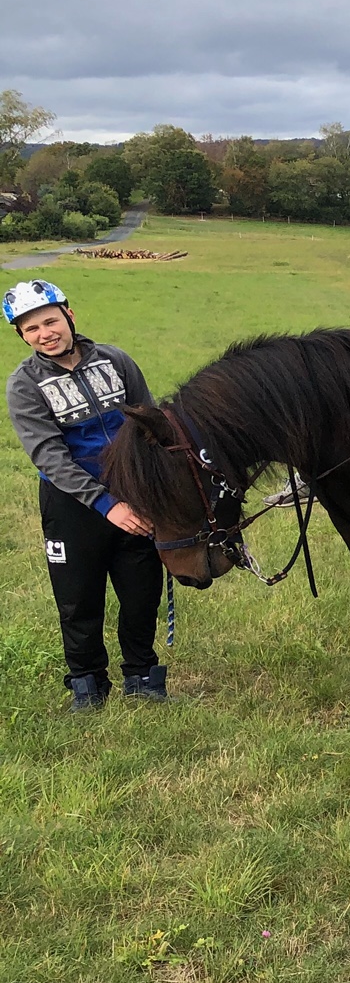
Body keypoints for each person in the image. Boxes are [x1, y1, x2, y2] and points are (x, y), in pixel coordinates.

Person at [4, 278, 165, 710]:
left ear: (69, 315)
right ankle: (88, 682)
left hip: (135, 494)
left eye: (50, 321)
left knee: (141, 592)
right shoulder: (24, 385)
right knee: (78, 599)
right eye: (31, 329)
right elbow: (49, 457)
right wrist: (107, 506)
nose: (45, 333)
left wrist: (152, 487)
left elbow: (148, 422)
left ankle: (143, 675)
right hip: (71, 505)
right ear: (22, 336)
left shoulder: (116, 361)